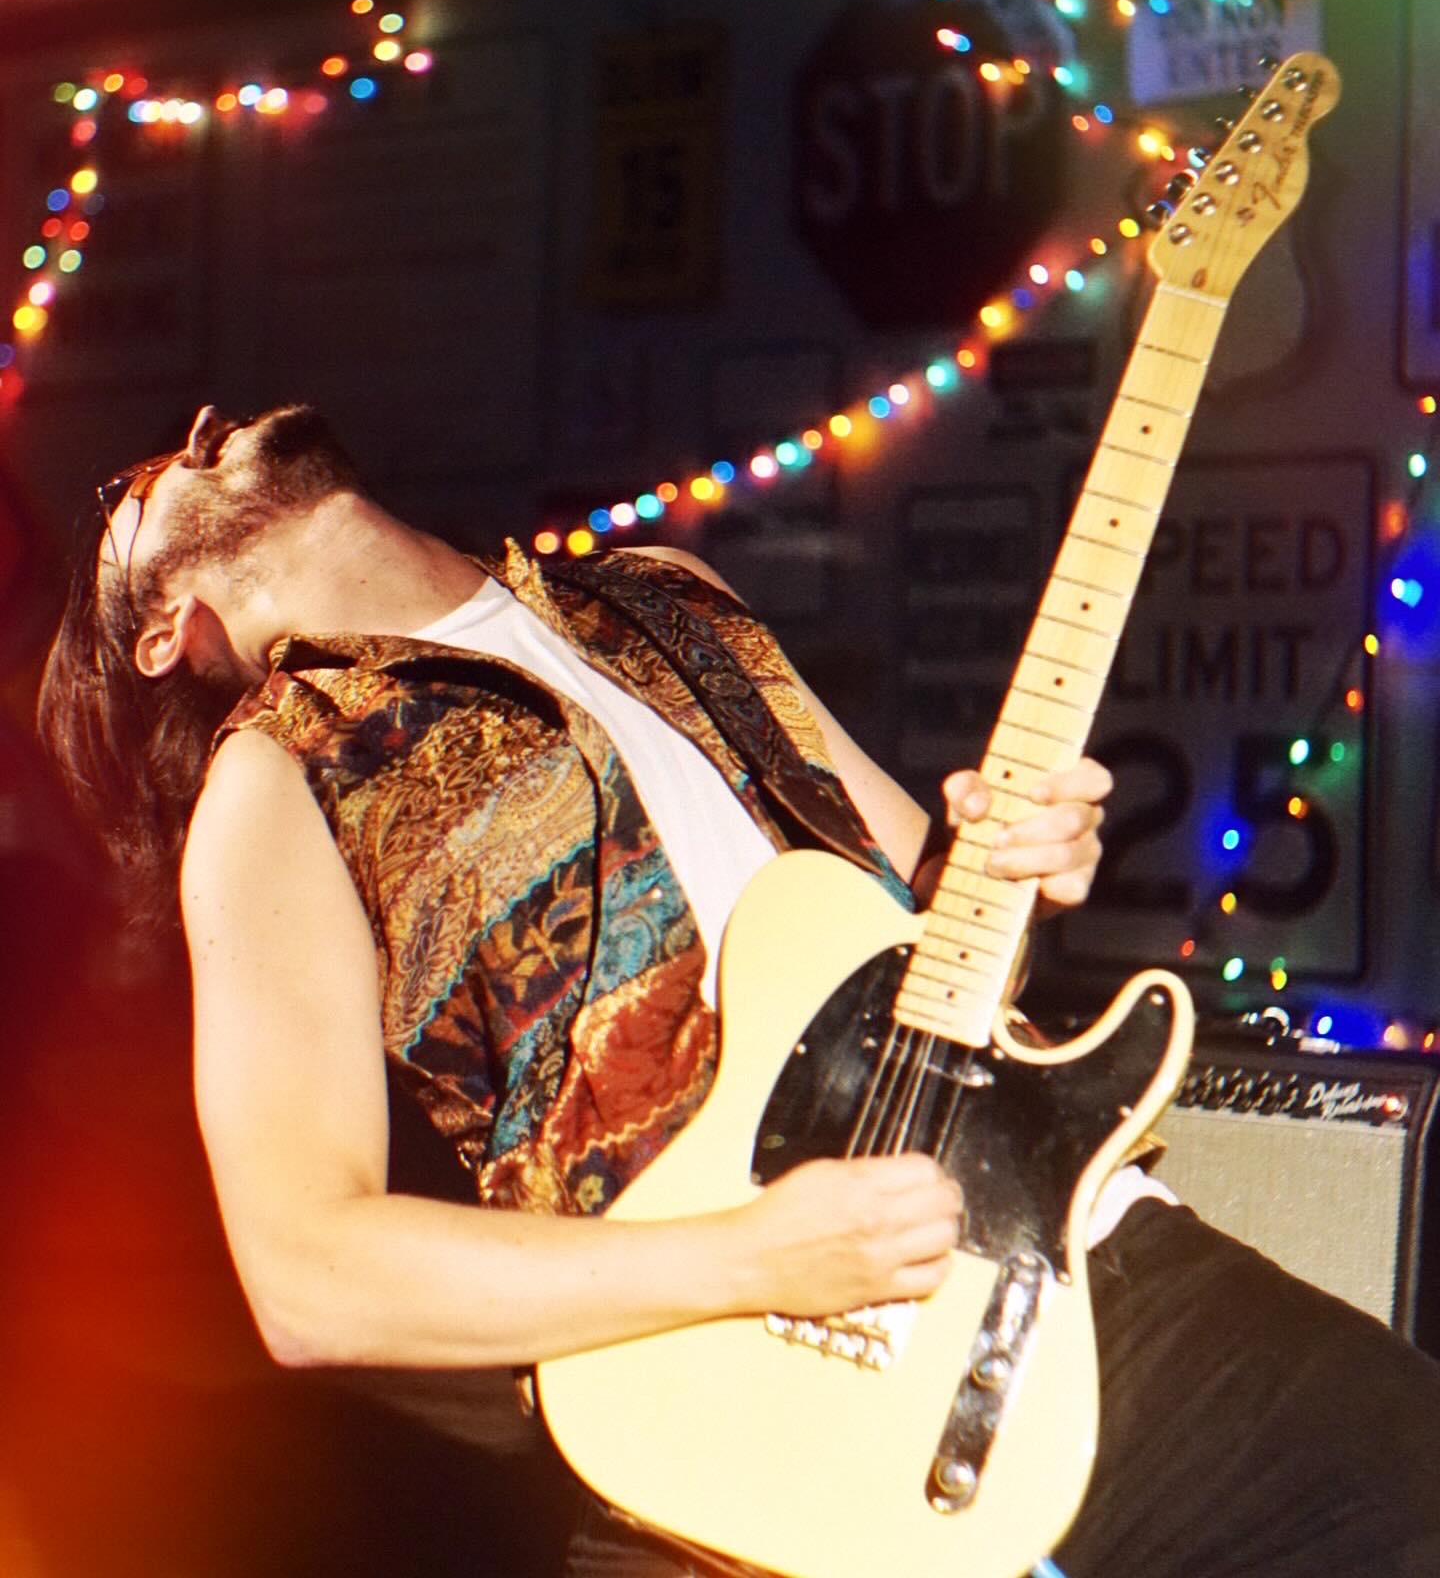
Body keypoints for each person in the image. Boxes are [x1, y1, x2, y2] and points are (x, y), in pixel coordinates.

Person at [38, 402, 1440, 1578]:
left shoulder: (660, 594)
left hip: (1051, 1252)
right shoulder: (281, 779)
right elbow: (309, 1279)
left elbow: (943, 932)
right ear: (166, 630)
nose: (201, 431)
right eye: (141, 484)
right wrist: (765, 1259)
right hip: (742, 1384)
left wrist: (1014, 855)